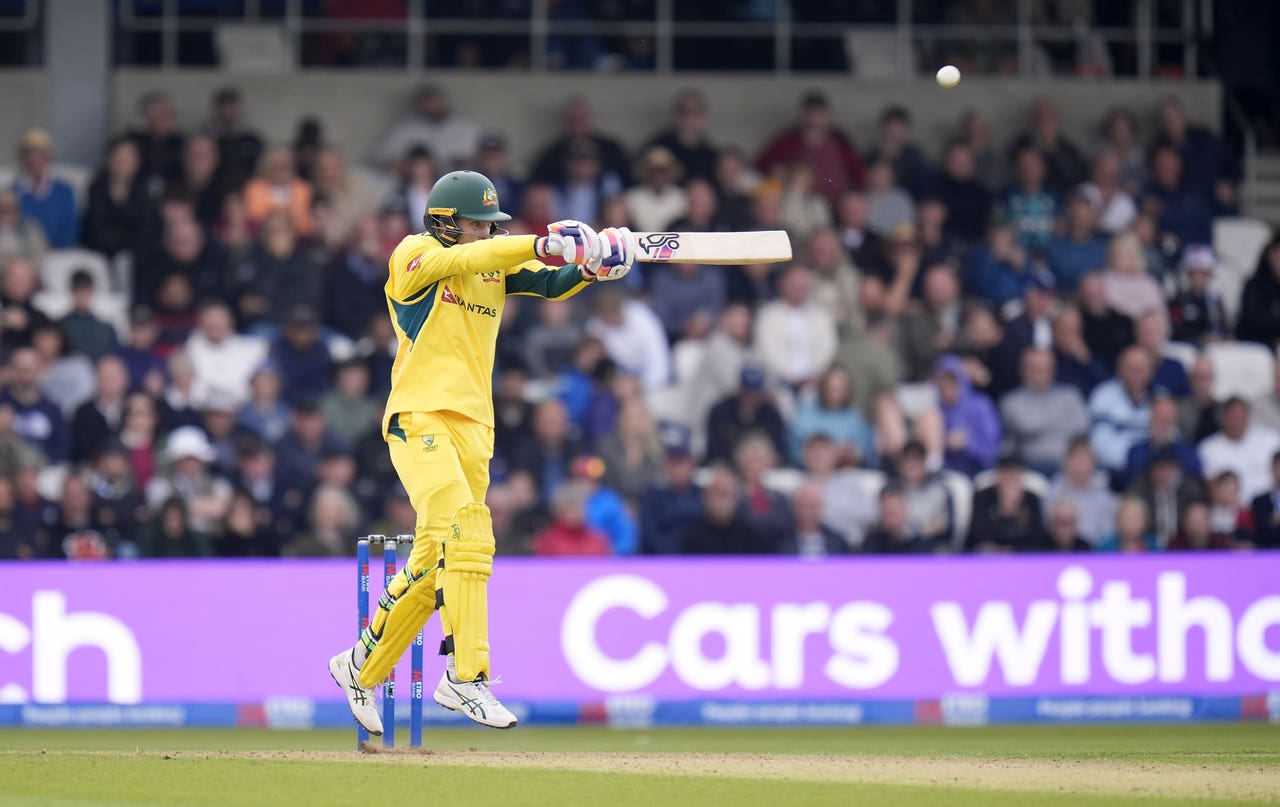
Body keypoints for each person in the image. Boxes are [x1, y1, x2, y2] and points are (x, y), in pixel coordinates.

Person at [328, 170, 635, 735]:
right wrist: (543, 241)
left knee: (432, 562)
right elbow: (473, 260)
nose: (483, 234)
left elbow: (548, 281)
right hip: (421, 414)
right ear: (444, 221)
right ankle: (466, 677)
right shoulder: (413, 256)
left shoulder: (491, 261)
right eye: (475, 224)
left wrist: (592, 266)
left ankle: (359, 668)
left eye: (489, 226)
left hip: (475, 429)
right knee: (468, 534)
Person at [756, 91, 864, 206]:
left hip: (840, 206)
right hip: (801, 205)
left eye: (819, 114)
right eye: (811, 113)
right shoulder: (787, 140)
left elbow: (858, 172)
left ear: (827, 116)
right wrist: (777, 172)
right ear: (803, 115)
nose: (815, 119)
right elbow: (762, 167)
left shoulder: (839, 139)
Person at [999, 348, 1088, 477]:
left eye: (1046, 368)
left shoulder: (1070, 395)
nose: (1042, 373)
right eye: (1036, 369)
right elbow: (1026, 426)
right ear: (1023, 370)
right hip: (1031, 466)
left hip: (1070, 464)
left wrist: (1041, 425)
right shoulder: (1011, 402)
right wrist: (1060, 421)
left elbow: (1081, 428)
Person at [371, 85, 481, 172]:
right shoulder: (407, 126)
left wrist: (467, 161)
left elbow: (487, 155)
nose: (432, 104)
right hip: (415, 182)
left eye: (435, 99)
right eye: (428, 100)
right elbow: (381, 156)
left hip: (457, 180)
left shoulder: (463, 125)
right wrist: (402, 163)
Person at [1198, 397, 1280, 505]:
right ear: (1223, 418)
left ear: (1249, 418)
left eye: (1241, 418)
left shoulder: (1271, 440)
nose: (1237, 423)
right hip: (1231, 511)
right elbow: (1210, 487)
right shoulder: (1208, 448)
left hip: (1270, 508)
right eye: (1233, 418)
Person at [967, 455, 1047, 553]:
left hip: (1023, 557)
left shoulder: (1032, 499)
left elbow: (1037, 537)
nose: (1010, 478)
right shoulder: (983, 497)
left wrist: (1013, 549)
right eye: (1006, 473)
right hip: (989, 557)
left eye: (1014, 473)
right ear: (998, 475)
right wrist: (1004, 511)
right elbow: (977, 534)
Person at [13, 129, 78, 248]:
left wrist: (53, 247)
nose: (35, 160)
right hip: (24, 254)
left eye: (40, 154)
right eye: (30, 154)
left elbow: (70, 228)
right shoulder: (14, 191)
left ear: (48, 157)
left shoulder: (64, 191)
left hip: (58, 252)